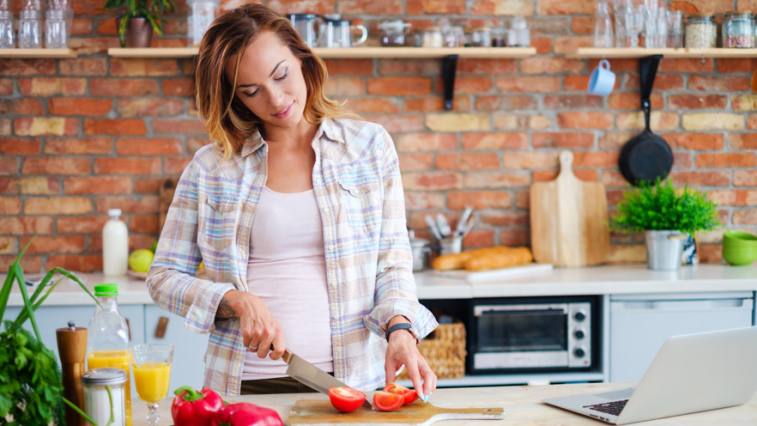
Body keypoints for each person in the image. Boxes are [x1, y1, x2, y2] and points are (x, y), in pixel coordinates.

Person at [146, 3, 438, 398]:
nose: (276, 99)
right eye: (252, 91)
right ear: (236, 99)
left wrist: (401, 329)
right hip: (243, 382)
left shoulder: (368, 147)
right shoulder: (212, 168)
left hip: (351, 383)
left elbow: (392, 263)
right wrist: (233, 300)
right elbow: (163, 276)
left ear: (302, 60)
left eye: (281, 75)